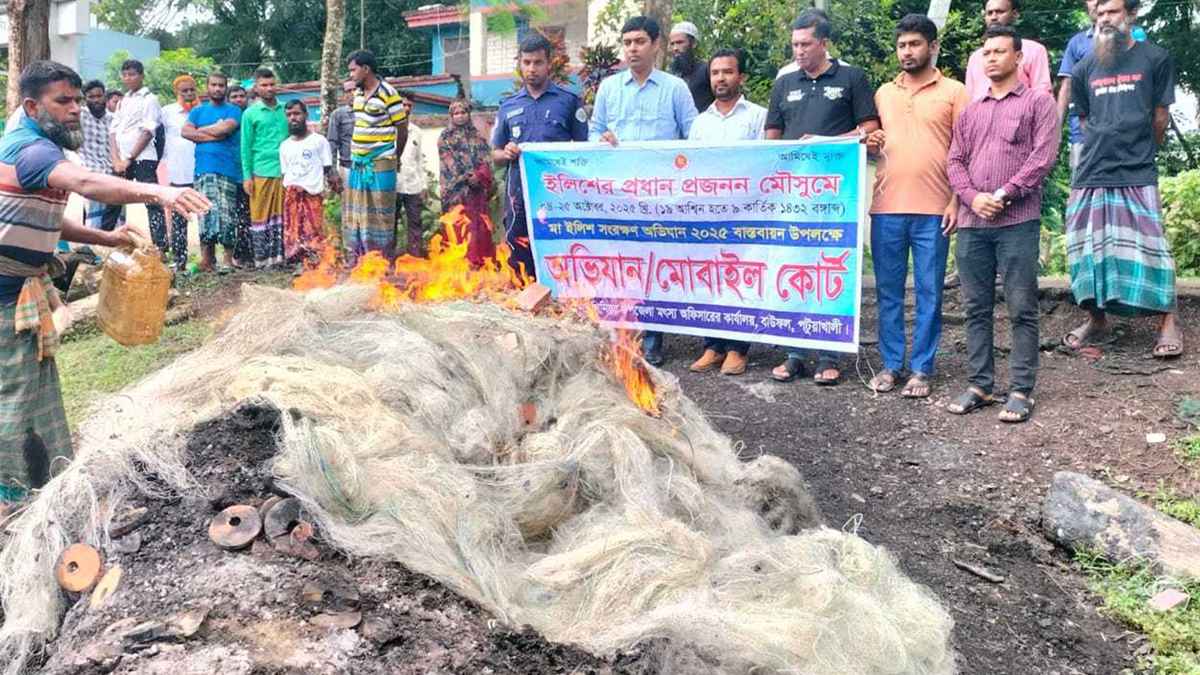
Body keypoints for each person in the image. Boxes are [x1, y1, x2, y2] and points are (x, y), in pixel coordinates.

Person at [0, 61, 210, 508]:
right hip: (4, 298)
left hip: (20, 293)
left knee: (35, 391)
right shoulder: (31, 150)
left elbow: (46, 216)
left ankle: (42, 481)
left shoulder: (37, 145)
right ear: (33, 106)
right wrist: (160, 192)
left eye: (77, 100)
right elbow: (86, 183)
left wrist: (104, 237)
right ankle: (12, 497)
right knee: (13, 398)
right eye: (64, 101)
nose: (76, 109)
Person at [945, 25, 1059, 423]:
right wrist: (974, 197)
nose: (990, 58)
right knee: (976, 307)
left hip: (1017, 221)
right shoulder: (971, 111)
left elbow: (1042, 158)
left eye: (998, 51)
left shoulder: (1037, 104)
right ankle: (980, 384)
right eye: (986, 53)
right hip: (973, 222)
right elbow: (955, 161)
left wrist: (1004, 194)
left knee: (1021, 307)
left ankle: (1021, 390)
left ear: (1018, 58)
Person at [765, 8, 880, 385]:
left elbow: (869, 130)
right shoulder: (784, 83)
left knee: (830, 268)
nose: (798, 51)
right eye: (794, 44)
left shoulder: (851, 78)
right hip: (793, 196)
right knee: (794, 268)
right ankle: (795, 352)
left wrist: (827, 143)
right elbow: (771, 138)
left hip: (836, 194)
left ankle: (829, 354)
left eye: (805, 44)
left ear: (824, 43)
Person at [1062, 0, 1182, 358]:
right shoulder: (1085, 67)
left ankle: (1168, 322)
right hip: (1092, 172)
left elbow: (1160, 118)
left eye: (1112, 11)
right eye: (1100, 14)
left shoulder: (1155, 58)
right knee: (1087, 246)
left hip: (1137, 168)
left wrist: (1139, 149)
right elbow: (1084, 124)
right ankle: (1096, 318)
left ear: (1130, 14)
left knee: (1152, 246)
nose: (1105, 19)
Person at [863, 15, 969, 398]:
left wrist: (957, 200)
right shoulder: (883, 93)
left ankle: (922, 368)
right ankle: (891, 365)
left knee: (929, 292)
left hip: (935, 209)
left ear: (932, 47)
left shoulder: (956, 91)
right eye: (902, 45)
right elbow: (872, 143)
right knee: (888, 292)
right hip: (886, 207)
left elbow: (965, 149)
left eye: (915, 44)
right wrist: (870, 143)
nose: (907, 52)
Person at [589, 15, 698, 366]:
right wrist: (601, 140)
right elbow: (594, 131)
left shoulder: (675, 89)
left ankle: (652, 339)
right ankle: (620, 336)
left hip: (658, 198)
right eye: (627, 43)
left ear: (656, 45)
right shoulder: (608, 88)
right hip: (617, 198)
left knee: (652, 266)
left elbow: (694, 137)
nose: (632, 49)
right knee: (619, 265)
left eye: (639, 42)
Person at [685, 48, 765, 377]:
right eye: (716, 72)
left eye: (728, 72)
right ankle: (713, 346)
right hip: (709, 213)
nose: (721, 78)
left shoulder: (758, 116)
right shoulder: (700, 122)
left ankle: (738, 349)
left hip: (746, 211)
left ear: (741, 77)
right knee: (711, 277)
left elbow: (766, 163)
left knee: (741, 278)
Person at [492, 33, 588, 279]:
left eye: (537, 62)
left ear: (549, 64)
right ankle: (522, 299)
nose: (531, 69)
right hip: (518, 195)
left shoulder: (568, 102)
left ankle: (560, 297)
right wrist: (506, 152)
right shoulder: (508, 106)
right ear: (520, 65)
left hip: (557, 195)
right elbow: (494, 153)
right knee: (517, 243)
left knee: (559, 243)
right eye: (526, 63)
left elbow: (585, 149)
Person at [1056, 0, 1147, 173]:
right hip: (1083, 136)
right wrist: (1056, 129)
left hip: (1129, 134)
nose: (1096, 4)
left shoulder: (1136, 35)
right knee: (1083, 191)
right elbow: (1066, 87)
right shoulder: (1077, 42)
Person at [345, 49, 409, 262]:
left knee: (381, 214)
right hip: (358, 163)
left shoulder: (389, 93)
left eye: (353, 70)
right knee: (357, 213)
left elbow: (402, 127)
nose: (350, 75)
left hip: (381, 162)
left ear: (366, 69)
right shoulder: (357, 93)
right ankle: (360, 259)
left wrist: (394, 157)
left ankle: (382, 261)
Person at [109, 59, 170, 266]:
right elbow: (113, 131)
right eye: (125, 74)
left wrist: (129, 158)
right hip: (121, 160)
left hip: (143, 158)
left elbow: (147, 131)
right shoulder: (122, 101)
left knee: (152, 201)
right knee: (113, 200)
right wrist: (116, 159)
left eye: (133, 74)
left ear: (142, 75)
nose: (128, 78)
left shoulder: (150, 99)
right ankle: (108, 244)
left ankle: (161, 248)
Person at [183, 71, 242, 272]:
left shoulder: (234, 110)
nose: (217, 88)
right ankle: (207, 260)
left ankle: (227, 259)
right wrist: (214, 131)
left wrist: (201, 133)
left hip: (227, 169)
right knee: (204, 212)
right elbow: (185, 132)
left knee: (227, 213)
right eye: (214, 85)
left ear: (225, 88)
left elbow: (225, 130)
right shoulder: (197, 112)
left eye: (221, 85)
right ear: (207, 88)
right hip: (203, 168)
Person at [279, 100, 339, 265]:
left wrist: (335, 190)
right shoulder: (284, 146)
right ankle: (299, 263)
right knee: (293, 230)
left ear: (306, 115)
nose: (293, 118)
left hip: (312, 195)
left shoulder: (319, 141)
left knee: (313, 230)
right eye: (289, 115)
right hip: (292, 196)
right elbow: (285, 174)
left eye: (297, 114)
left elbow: (328, 169)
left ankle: (316, 262)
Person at [240, 67, 289, 268]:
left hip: (286, 173)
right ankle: (263, 260)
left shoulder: (286, 109)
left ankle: (281, 258)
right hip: (261, 172)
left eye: (272, 84)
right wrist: (247, 176)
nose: (269, 88)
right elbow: (245, 147)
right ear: (256, 88)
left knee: (283, 216)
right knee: (261, 216)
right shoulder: (250, 114)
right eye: (264, 85)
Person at [438, 99, 495, 268]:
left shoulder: (477, 135)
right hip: (455, 192)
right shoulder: (445, 137)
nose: (460, 116)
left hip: (477, 190)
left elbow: (486, 159)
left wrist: (479, 176)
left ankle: (480, 261)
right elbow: (449, 163)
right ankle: (459, 263)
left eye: (463, 113)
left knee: (477, 225)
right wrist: (467, 178)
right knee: (458, 224)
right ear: (451, 116)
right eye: (456, 113)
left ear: (468, 114)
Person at [964, 0, 1052, 100]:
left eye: (1000, 12)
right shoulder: (975, 57)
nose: (993, 17)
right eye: (989, 13)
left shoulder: (1034, 50)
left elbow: (1042, 94)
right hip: (980, 114)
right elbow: (969, 99)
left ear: (1015, 14)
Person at [160, 74, 200, 273]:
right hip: (177, 171)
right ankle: (180, 260)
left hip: (201, 170)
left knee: (204, 216)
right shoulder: (167, 112)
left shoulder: (202, 111)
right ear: (177, 92)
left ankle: (208, 259)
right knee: (178, 219)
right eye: (184, 90)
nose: (189, 93)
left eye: (192, 89)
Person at [79, 80, 122, 231]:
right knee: (93, 215)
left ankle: (113, 249)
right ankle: (91, 248)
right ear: (85, 99)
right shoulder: (79, 116)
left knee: (116, 218)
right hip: (90, 171)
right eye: (91, 97)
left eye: (99, 95)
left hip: (112, 172)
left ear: (105, 96)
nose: (96, 100)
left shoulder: (114, 119)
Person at [396, 97, 426, 257]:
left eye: (409, 105)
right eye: (403, 104)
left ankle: (415, 256)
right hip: (393, 184)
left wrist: (424, 186)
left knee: (415, 222)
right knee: (390, 223)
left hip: (413, 185)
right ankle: (389, 258)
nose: (406, 108)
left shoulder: (417, 131)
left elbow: (419, 160)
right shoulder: (388, 130)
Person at [668, 21, 714, 112]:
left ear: (693, 44)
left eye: (680, 42)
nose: (675, 48)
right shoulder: (672, 75)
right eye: (672, 44)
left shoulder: (707, 70)